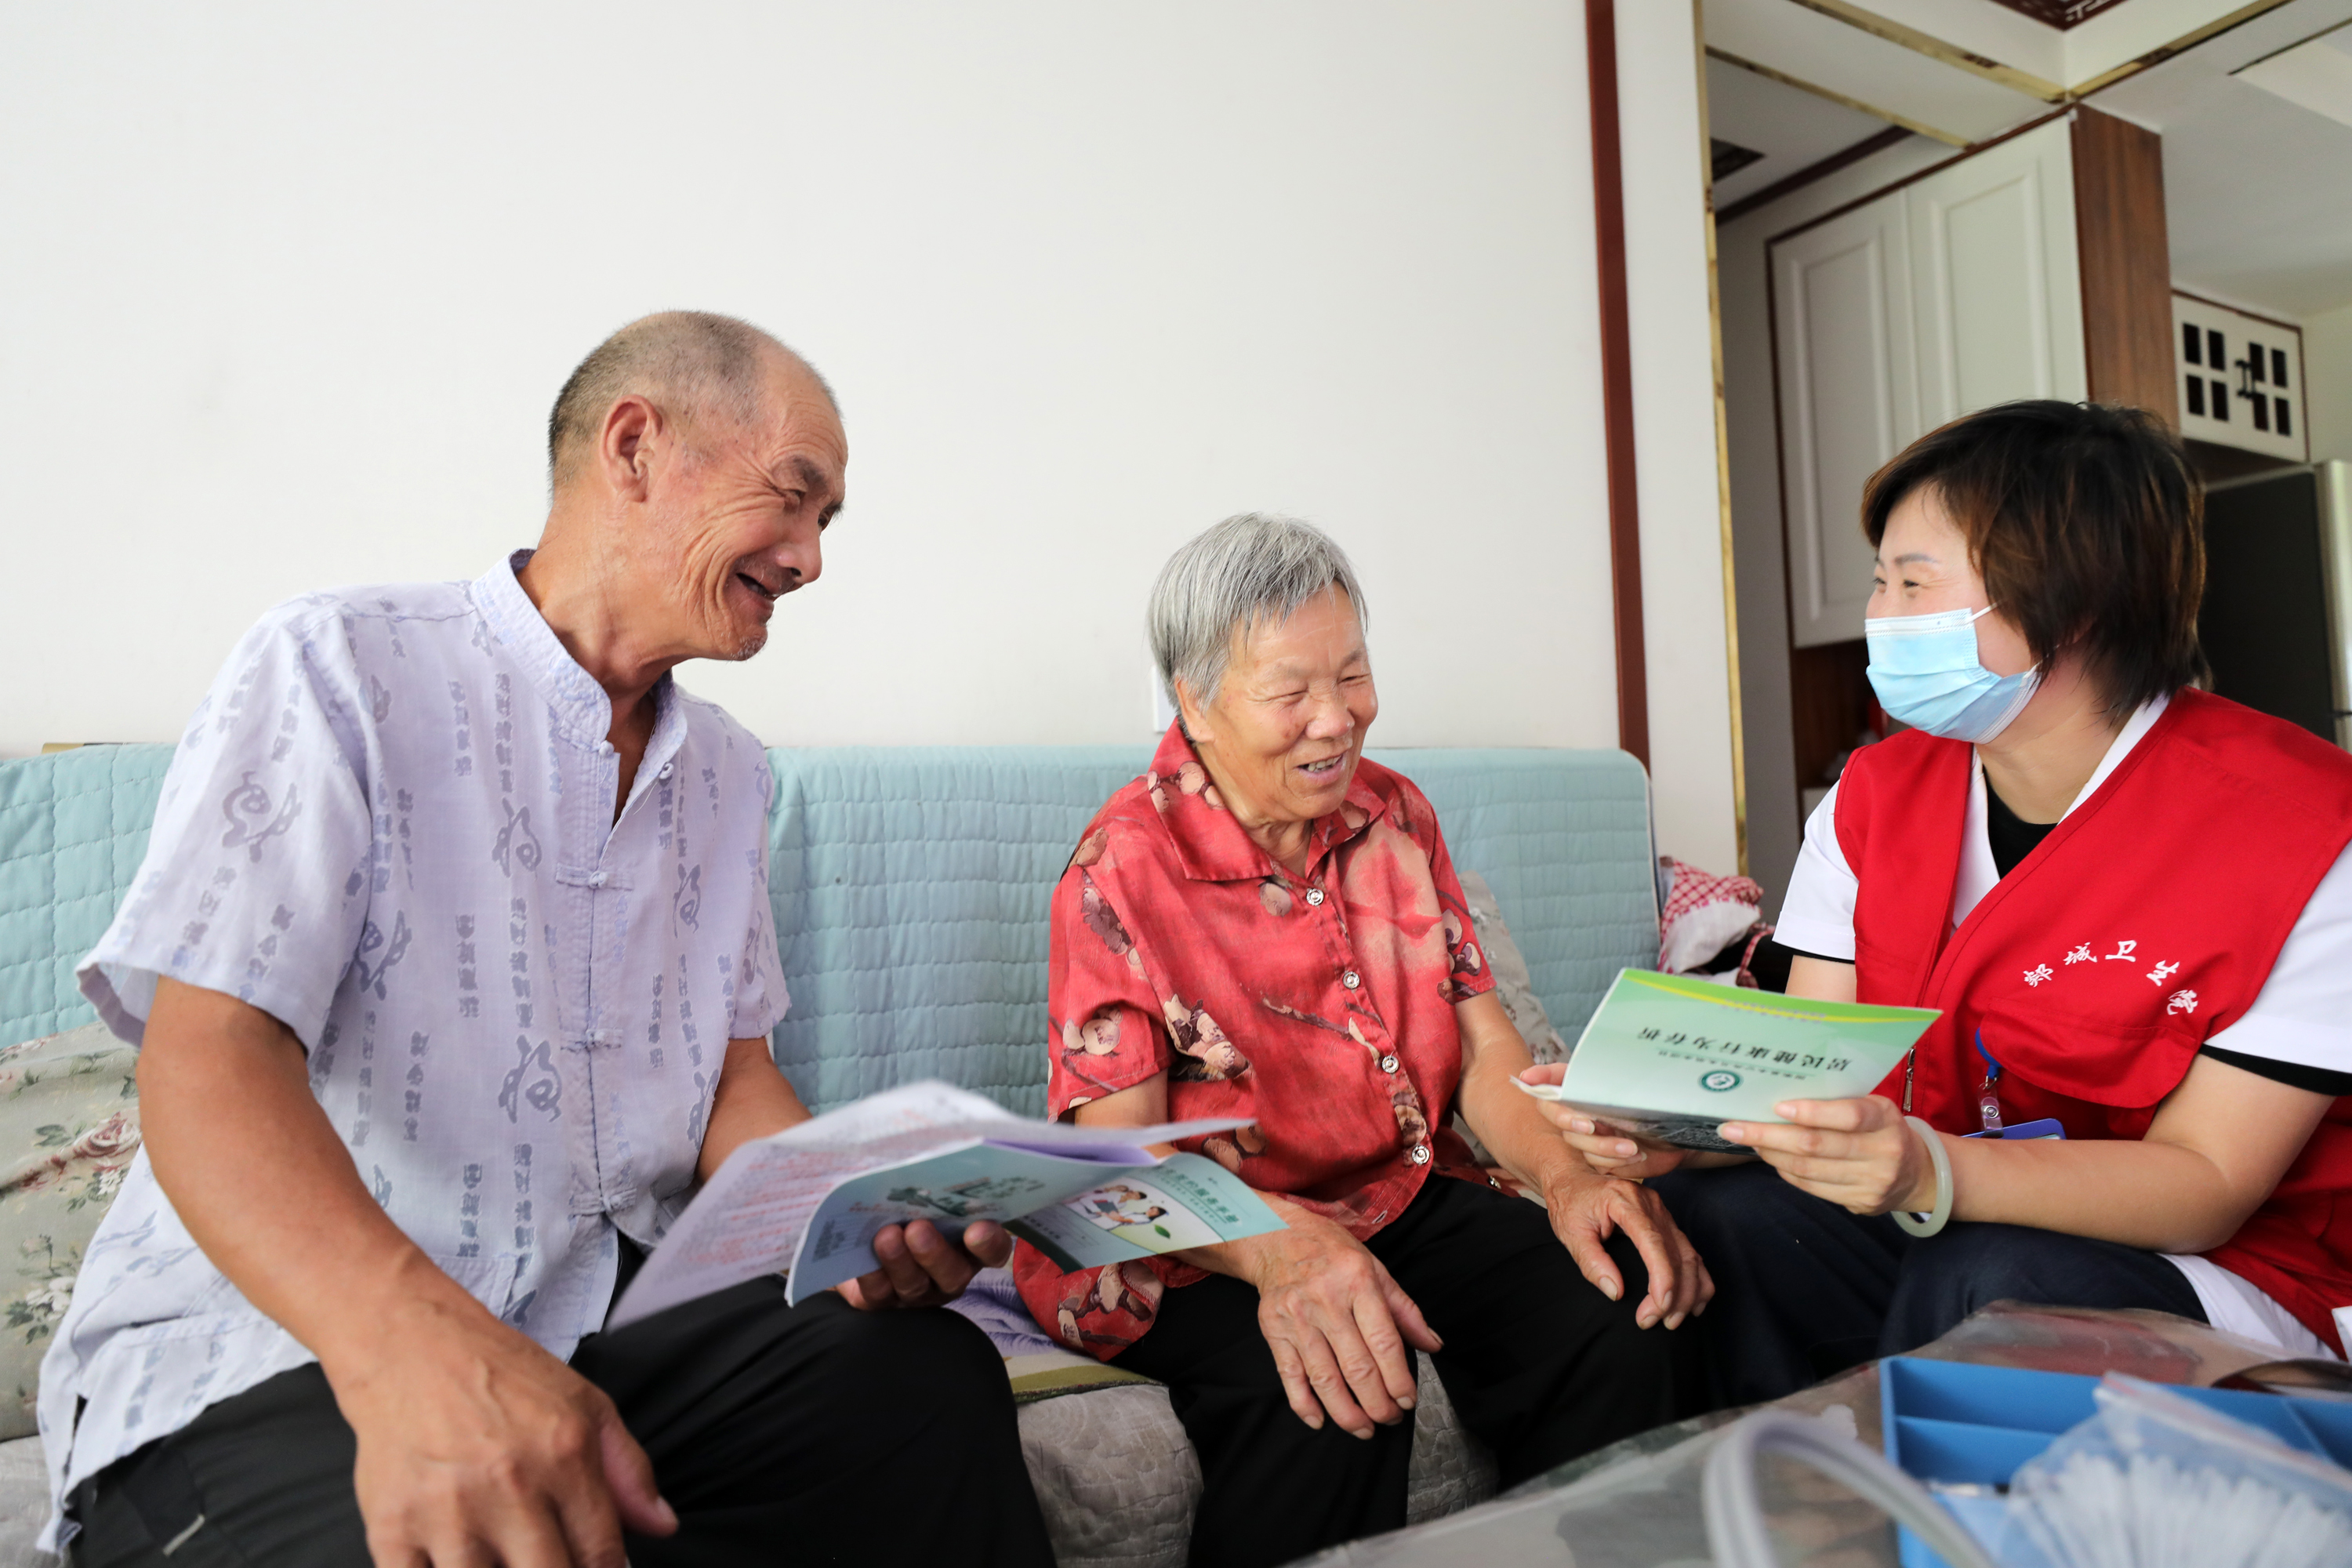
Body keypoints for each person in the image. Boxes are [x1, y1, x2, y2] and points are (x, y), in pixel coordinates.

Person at [42, 313, 1054, 1567]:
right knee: (479, 1534)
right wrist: (412, 1346)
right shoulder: (339, 664)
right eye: (794, 499)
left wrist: (853, 1213)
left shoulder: (730, 774)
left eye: (828, 522)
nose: (809, 558)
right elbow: (208, 1056)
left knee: (920, 1385)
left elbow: (732, 1082)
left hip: (598, 1331)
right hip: (289, 1349)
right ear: (634, 447)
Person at [1529, 401, 2352, 1410]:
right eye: (1880, 581)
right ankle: (1767, 1491)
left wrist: (1933, 1172)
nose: (1881, 615)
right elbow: (1813, 1072)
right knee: (1718, 1216)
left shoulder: (2308, 834)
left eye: (1915, 584)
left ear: (2074, 604)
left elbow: (2210, 1180)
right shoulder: (1873, 798)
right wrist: (1681, 1129)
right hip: (1940, 1205)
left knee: (1994, 1282)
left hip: (2230, 1265)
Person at [1014, 514, 1708, 1567]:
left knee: (1614, 1306)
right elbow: (1119, 1172)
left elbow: (1484, 1053)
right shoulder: (1120, 871)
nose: (1336, 719)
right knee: (1335, 1393)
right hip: (1192, 1237)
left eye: (1353, 675)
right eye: (1291, 691)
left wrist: (1568, 1178)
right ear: (1194, 702)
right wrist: (1283, 1252)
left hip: (1393, 1191)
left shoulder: (1395, 815)